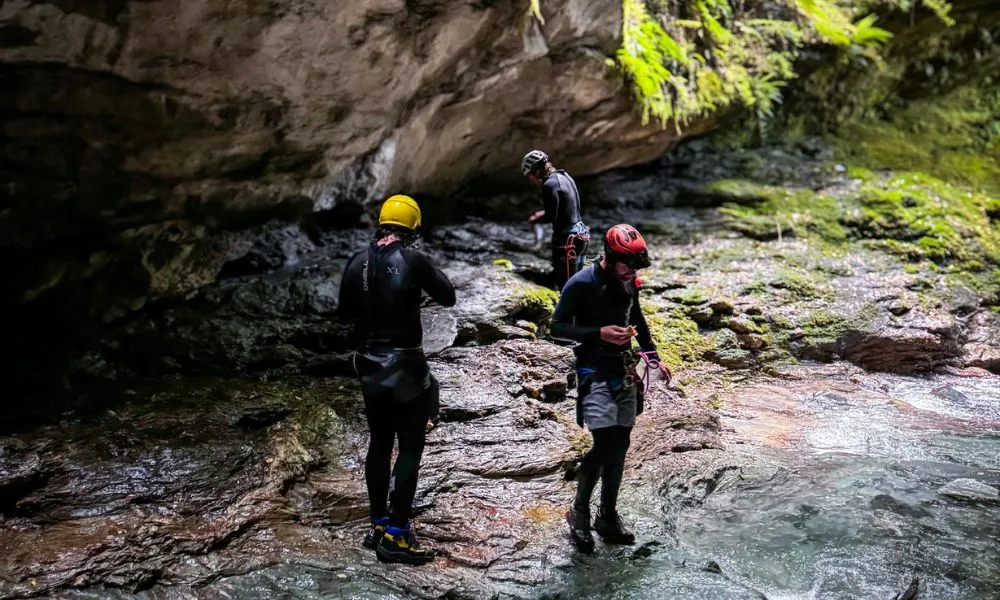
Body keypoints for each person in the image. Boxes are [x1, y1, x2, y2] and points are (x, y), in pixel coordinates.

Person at [337, 194, 456, 565]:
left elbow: (344, 316)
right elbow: (448, 297)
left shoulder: (356, 262)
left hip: (370, 367)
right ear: (413, 227)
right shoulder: (412, 259)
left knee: (379, 442)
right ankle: (397, 535)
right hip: (406, 368)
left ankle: (377, 525)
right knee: (409, 448)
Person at [550, 224, 673, 553]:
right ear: (610, 256)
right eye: (628, 265)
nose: (632, 272)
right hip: (595, 373)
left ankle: (607, 516)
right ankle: (578, 513)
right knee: (604, 443)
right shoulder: (582, 284)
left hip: (624, 373)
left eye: (636, 267)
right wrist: (599, 333)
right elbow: (557, 329)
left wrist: (653, 358)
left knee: (620, 443)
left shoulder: (628, 280)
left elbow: (639, 319)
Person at [522, 150, 591, 292]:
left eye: (531, 175)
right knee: (578, 285)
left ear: (537, 170)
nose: (532, 180)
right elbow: (568, 208)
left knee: (566, 288)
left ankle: (570, 314)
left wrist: (536, 220)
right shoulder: (565, 176)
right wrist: (541, 214)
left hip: (567, 243)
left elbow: (551, 216)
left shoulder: (549, 185)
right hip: (582, 237)